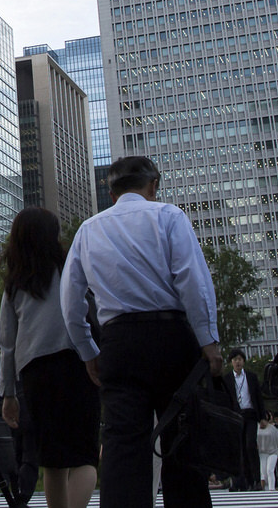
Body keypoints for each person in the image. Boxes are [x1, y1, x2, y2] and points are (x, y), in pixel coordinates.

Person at [61, 156, 221, 508]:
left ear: (112, 193)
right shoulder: (169, 216)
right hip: (171, 335)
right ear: (153, 185)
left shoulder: (89, 229)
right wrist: (208, 340)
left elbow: (71, 300)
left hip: (118, 341)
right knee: (182, 439)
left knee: (122, 445)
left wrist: (87, 350)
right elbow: (193, 281)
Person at [0, 207, 100, 508]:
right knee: (84, 457)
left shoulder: (15, 283)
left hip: (36, 372)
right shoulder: (73, 268)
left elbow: (7, 344)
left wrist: (8, 394)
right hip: (79, 363)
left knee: (52, 461)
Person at [222, 349, 262, 490]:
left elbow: (258, 397)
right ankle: (243, 481)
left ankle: (256, 480)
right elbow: (225, 399)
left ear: (243, 361)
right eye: (235, 360)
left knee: (250, 445)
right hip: (236, 416)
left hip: (250, 414)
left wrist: (262, 417)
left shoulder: (251, 377)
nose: (237, 362)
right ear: (231, 362)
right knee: (239, 449)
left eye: (239, 359)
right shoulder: (227, 379)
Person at [257, 413, 278, 491]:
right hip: (262, 452)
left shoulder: (272, 428)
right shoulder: (256, 428)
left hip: (272, 452)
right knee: (263, 472)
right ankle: (263, 487)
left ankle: (272, 489)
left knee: (270, 470)